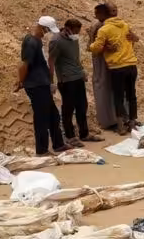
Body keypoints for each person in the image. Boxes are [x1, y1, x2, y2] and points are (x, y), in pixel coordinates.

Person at [16, 16, 68, 156]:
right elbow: (24, 65)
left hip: (42, 83)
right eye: (46, 30)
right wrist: (20, 81)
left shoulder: (36, 41)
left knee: (53, 115)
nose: (47, 33)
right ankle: (42, 150)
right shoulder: (31, 42)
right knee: (41, 118)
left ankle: (58, 144)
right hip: (36, 85)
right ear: (42, 27)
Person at [49, 18, 103, 148]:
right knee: (68, 109)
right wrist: (51, 81)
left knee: (82, 106)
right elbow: (51, 62)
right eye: (75, 31)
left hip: (78, 77)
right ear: (67, 28)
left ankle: (84, 134)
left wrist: (82, 70)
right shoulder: (56, 41)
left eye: (78, 32)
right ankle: (70, 136)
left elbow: (76, 57)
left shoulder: (74, 39)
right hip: (66, 80)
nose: (76, 34)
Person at [90, 4, 139, 135]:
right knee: (131, 95)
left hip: (116, 66)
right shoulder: (124, 25)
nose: (115, 12)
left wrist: (93, 46)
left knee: (118, 97)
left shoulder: (103, 29)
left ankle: (121, 125)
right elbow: (133, 40)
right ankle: (132, 122)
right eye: (113, 10)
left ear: (102, 14)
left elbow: (95, 48)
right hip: (130, 64)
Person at [88, 4, 118, 132]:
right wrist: (105, 48)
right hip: (101, 62)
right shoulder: (97, 27)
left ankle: (117, 118)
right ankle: (107, 121)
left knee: (115, 89)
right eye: (112, 11)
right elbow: (90, 46)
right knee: (103, 89)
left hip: (114, 62)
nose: (114, 13)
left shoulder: (114, 25)